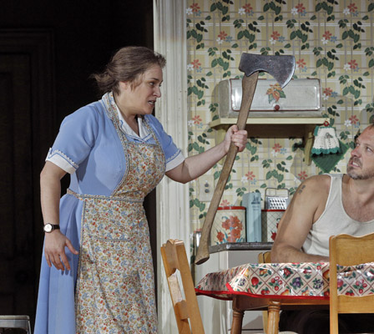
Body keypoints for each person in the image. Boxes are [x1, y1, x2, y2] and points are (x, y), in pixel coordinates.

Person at [34, 46, 247, 334]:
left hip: (133, 239)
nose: (158, 93)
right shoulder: (88, 119)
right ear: (125, 81)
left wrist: (224, 147)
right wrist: (52, 230)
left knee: (137, 320)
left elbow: (182, 171)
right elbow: (50, 175)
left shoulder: (152, 127)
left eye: (159, 85)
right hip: (92, 241)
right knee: (100, 323)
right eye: (152, 84)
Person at [271, 117, 374, 333]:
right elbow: (280, 253)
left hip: (367, 310)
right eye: (357, 144)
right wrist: (339, 267)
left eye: (368, 149)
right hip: (309, 306)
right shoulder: (316, 189)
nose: (355, 152)